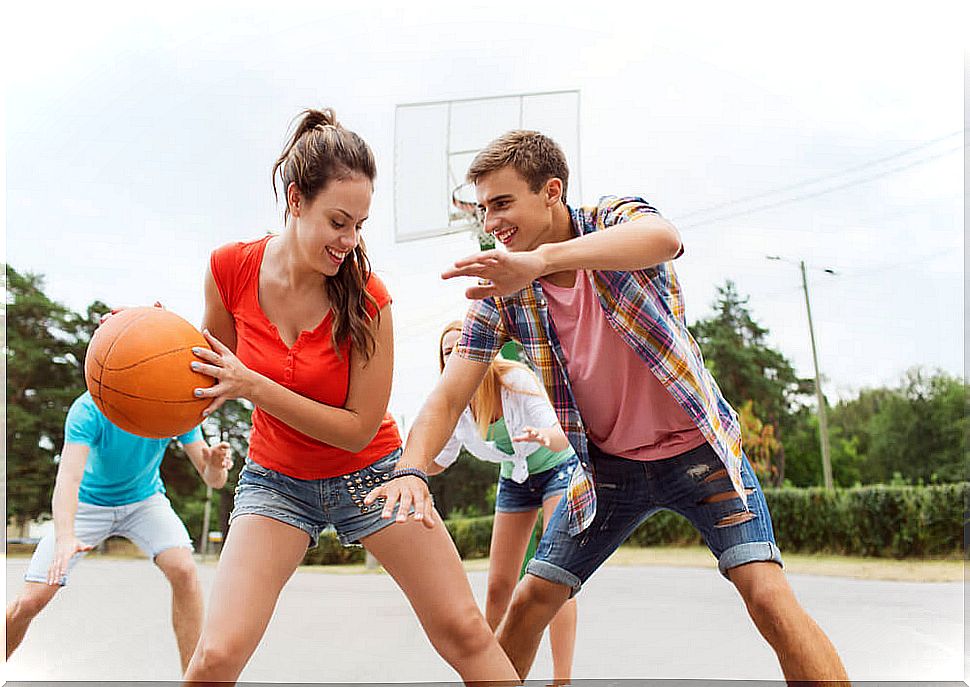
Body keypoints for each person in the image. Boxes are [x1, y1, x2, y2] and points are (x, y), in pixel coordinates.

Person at [366, 130, 850, 683]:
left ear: (551, 191)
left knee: (767, 598)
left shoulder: (611, 220)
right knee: (529, 603)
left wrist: (543, 259)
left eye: (502, 204)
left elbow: (663, 238)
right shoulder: (504, 289)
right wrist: (411, 469)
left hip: (700, 452)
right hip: (607, 470)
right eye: (483, 210)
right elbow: (451, 393)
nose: (491, 222)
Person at [181, 108, 520, 685]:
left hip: (374, 477)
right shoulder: (228, 269)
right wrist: (140, 346)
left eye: (359, 225)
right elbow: (210, 371)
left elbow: (357, 428)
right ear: (295, 200)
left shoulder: (367, 299)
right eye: (339, 221)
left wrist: (255, 385)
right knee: (216, 655)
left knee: (465, 631)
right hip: (276, 482)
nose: (350, 241)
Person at [5, 390, 232, 673]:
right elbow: (69, 477)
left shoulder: (175, 403)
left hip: (144, 500)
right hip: (87, 504)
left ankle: (194, 678)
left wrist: (214, 466)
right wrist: (65, 537)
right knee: (31, 600)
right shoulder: (90, 407)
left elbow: (214, 480)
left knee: (184, 569)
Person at [431, 320, 577, 683]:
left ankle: (562, 680)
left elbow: (561, 436)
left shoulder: (516, 380)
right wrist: (401, 472)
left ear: (480, 348)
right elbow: (438, 458)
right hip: (516, 479)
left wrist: (544, 435)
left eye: (460, 347)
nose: (454, 357)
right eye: (447, 352)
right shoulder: (453, 400)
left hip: (558, 468)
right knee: (499, 585)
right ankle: (494, 676)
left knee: (556, 576)